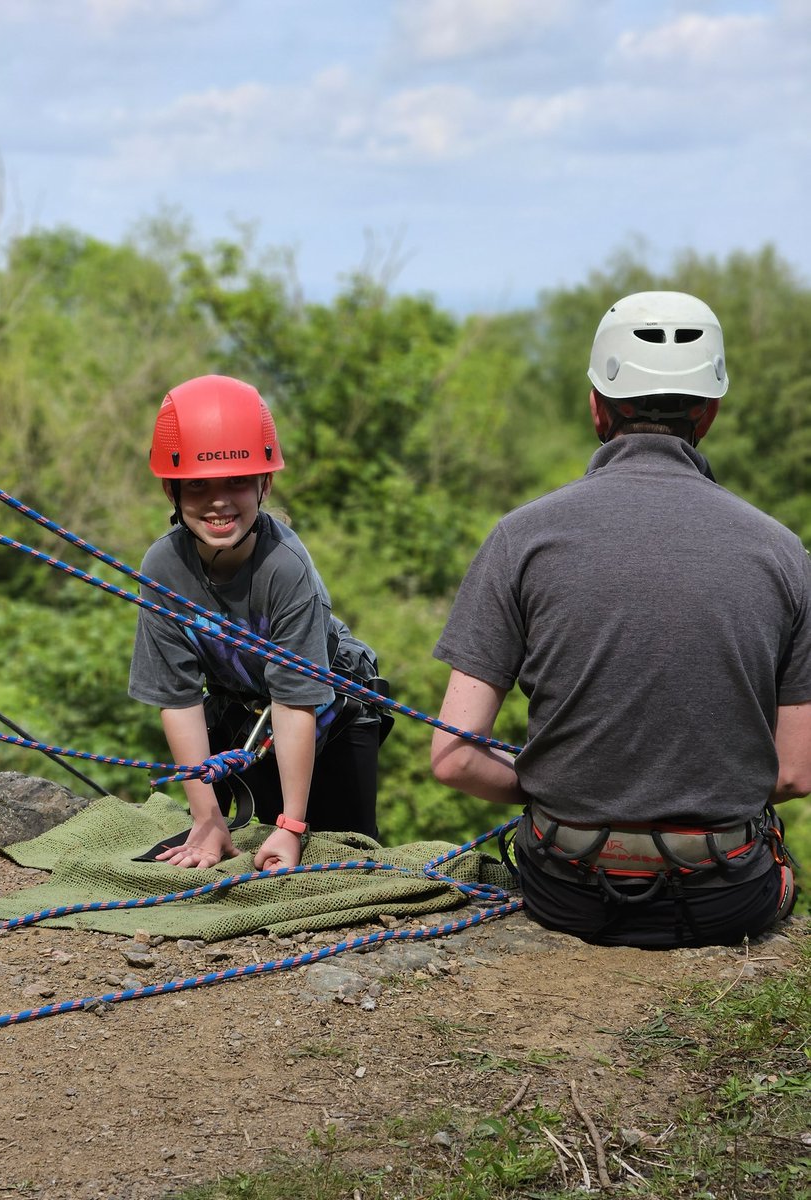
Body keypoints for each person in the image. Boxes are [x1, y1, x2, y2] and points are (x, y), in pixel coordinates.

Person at [430, 291, 811, 948]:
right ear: (710, 413)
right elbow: (796, 773)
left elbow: (455, 758)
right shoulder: (783, 551)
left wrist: (560, 780)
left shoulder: (522, 537)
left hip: (567, 890)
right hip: (727, 899)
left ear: (596, 406)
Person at [129, 374, 387, 872]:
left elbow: (295, 704)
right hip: (241, 713)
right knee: (245, 838)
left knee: (346, 856)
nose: (218, 501)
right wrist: (207, 818)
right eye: (198, 485)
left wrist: (292, 827)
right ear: (172, 489)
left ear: (264, 484)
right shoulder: (163, 569)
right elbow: (179, 698)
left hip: (332, 712)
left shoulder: (285, 568)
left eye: (238, 481)